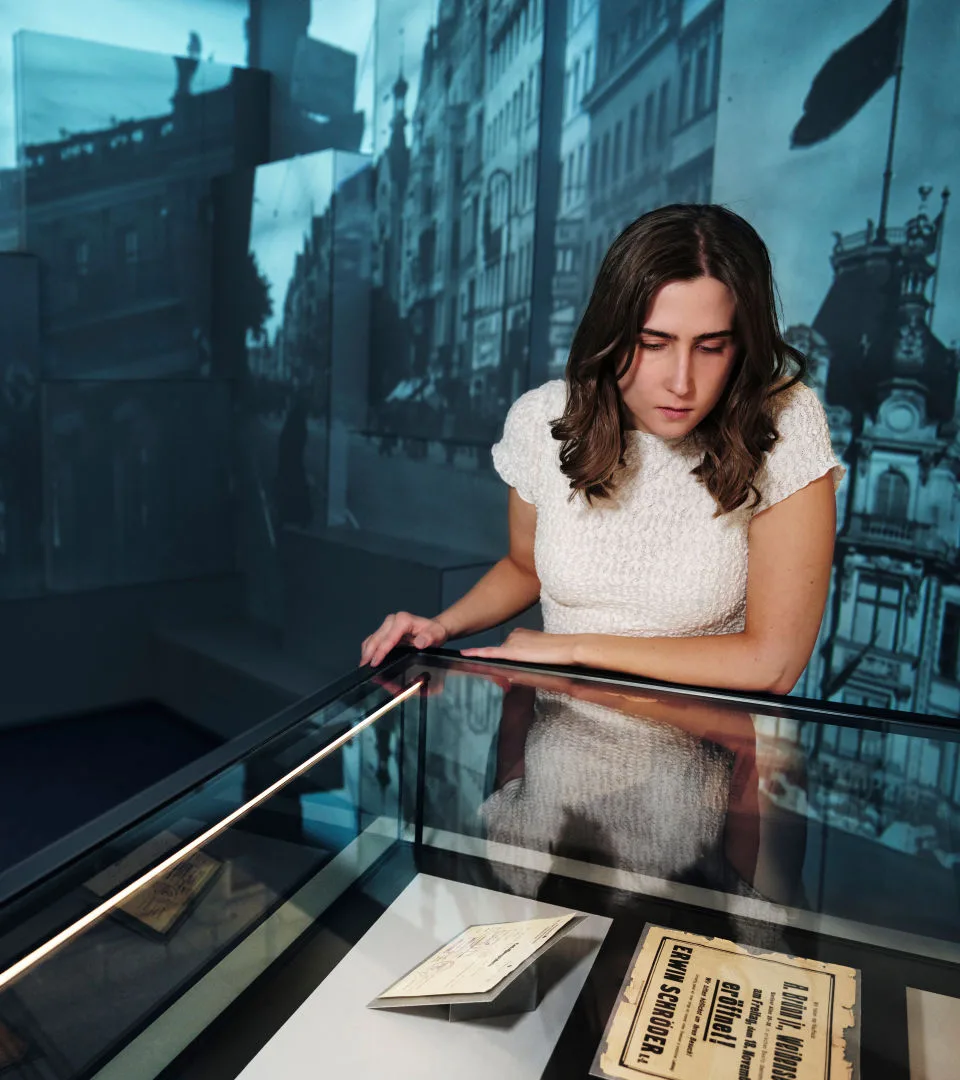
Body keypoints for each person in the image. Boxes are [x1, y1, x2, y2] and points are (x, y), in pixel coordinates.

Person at [360, 204, 844, 693]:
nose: (682, 383)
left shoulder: (783, 421)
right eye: (653, 343)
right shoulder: (543, 417)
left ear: (742, 345)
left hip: (699, 754)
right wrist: (442, 626)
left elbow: (773, 665)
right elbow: (526, 568)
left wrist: (577, 650)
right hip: (552, 751)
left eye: (710, 346)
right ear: (611, 332)